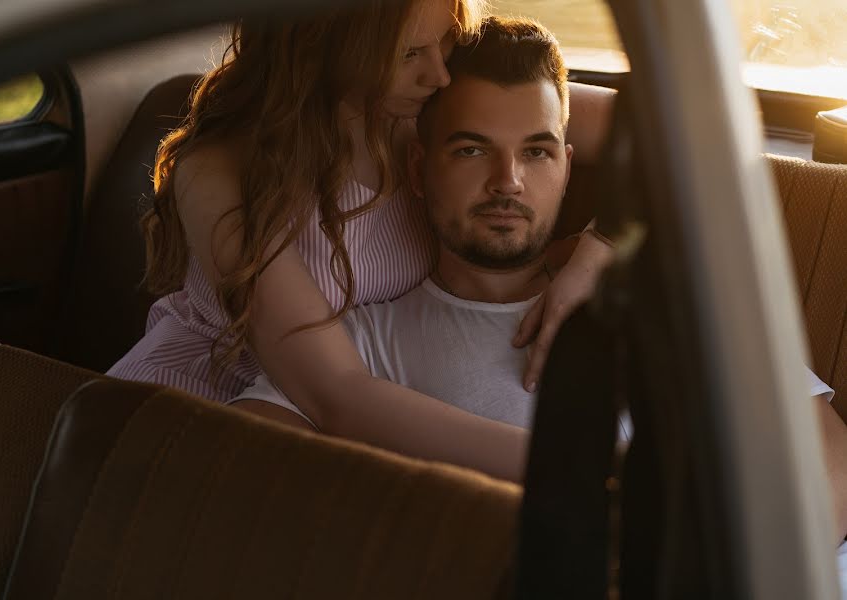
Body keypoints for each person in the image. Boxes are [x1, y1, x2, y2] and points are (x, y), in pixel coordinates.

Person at [230, 17, 847, 546]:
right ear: (418, 170)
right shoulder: (361, 341)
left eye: (536, 152)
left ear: (568, 165)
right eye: (472, 150)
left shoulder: (668, 304)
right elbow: (245, 468)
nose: (508, 182)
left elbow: (827, 455)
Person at [107, 1, 616, 482]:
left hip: (317, 423)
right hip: (188, 424)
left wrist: (597, 251)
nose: (440, 73)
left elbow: (667, 132)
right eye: (411, 53)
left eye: (446, 39)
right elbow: (335, 394)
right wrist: (578, 466)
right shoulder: (220, 172)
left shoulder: (422, 106)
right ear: (331, 44)